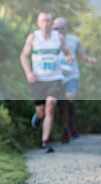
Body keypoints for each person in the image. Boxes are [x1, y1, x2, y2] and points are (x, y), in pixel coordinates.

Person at [20, 12, 73, 152]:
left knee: (51, 105)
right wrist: (28, 73)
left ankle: (45, 142)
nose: (45, 24)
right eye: (42, 21)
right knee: (41, 112)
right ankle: (38, 117)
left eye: (48, 21)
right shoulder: (33, 38)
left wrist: (68, 57)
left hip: (54, 78)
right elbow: (24, 57)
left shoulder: (59, 38)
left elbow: (67, 52)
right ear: (38, 23)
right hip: (38, 79)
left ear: (52, 24)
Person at [52, 17, 96, 140]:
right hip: (57, 76)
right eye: (55, 28)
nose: (58, 30)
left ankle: (72, 123)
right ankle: (65, 129)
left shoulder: (74, 40)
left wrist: (90, 59)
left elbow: (81, 55)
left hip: (72, 75)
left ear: (66, 28)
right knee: (62, 104)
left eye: (61, 28)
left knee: (69, 99)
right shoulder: (50, 41)